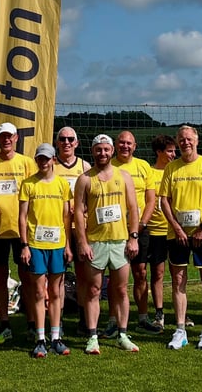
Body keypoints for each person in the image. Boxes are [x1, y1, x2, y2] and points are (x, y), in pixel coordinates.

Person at [73, 134, 141, 355]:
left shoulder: (124, 176)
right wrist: (82, 242)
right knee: (93, 289)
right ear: (92, 151)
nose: (102, 153)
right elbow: (78, 213)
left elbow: (133, 208)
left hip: (120, 241)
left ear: (112, 151)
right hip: (96, 242)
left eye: (106, 149)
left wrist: (133, 237)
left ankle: (122, 334)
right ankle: (93, 337)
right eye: (98, 149)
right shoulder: (84, 179)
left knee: (121, 289)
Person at [159, 125, 202, 351]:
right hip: (177, 234)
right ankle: (180, 330)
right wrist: (177, 228)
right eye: (181, 139)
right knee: (178, 280)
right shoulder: (171, 167)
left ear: (196, 141)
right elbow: (164, 200)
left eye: (189, 138)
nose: (185, 142)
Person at [0, 122, 37, 345]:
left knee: (28, 277)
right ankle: (4, 323)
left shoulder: (27, 162)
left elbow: (33, 191)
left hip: (22, 231)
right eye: (2, 136)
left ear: (16, 138)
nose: (6, 140)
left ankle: (32, 323)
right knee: (0, 277)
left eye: (9, 136)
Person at [19, 143, 73, 357]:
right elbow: (22, 217)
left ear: (53, 160)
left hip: (58, 245)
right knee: (39, 291)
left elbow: (66, 217)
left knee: (56, 291)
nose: (43, 162)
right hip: (36, 245)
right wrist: (24, 245)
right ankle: (40, 338)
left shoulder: (62, 184)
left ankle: (56, 337)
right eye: (40, 158)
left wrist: (68, 245)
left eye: (47, 158)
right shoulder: (28, 184)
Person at [109, 130, 156, 338]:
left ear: (135, 146)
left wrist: (141, 225)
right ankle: (112, 321)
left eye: (129, 143)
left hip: (140, 229)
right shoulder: (108, 166)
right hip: (115, 229)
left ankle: (143, 318)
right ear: (115, 145)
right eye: (121, 142)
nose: (125, 146)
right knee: (115, 276)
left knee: (141, 273)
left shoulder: (143, 166)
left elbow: (151, 200)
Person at [52, 127, 91, 334]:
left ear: (76, 143)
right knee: (57, 277)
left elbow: (92, 197)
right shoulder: (50, 165)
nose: (66, 142)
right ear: (57, 142)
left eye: (70, 139)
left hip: (80, 229)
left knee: (83, 276)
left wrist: (82, 208)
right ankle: (58, 324)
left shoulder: (85, 166)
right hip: (57, 229)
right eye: (62, 139)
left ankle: (84, 321)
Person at [143, 134, 176, 333]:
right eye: (170, 151)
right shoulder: (150, 172)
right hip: (155, 230)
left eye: (174, 151)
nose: (173, 154)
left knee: (178, 273)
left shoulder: (176, 170)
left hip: (175, 230)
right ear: (159, 152)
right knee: (158, 273)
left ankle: (181, 311)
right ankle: (159, 312)